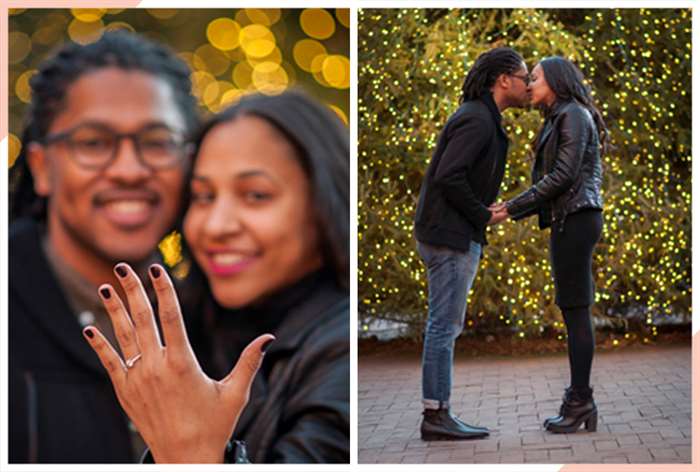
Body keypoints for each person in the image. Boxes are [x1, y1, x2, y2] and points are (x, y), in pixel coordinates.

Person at [82, 91, 351, 463]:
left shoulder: (342, 351)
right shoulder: (177, 328)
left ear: (323, 205)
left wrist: (191, 451)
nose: (216, 226)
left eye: (256, 195)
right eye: (203, 196)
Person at [9, 31, 199, 462]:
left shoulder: (215, 318)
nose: (129, 170)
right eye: (93, 143)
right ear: (42, 168)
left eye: (157, 142)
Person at [413, 47, 531, 441]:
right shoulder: (477, 119)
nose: (528, 85)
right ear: (503, 80)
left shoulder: (480, 116)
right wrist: (482, 214)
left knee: (445, 325)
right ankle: (436, 415)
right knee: (444, 326)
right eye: (524, 77)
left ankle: (439, 412)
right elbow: (449, 176)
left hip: (451, 232)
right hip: (449, 236)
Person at [491, 56, 607, 433]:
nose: (529, 85)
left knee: (576, 311)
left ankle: (580, 402)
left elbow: (562, 176)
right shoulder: (562, 116)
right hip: (572, 218)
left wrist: (511, 208)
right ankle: (579, 400)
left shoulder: (572, 114)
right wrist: (516, 208)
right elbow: (559, 179)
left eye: (535, 79)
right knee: (574, 309)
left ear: (555, 82)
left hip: (577, 218)